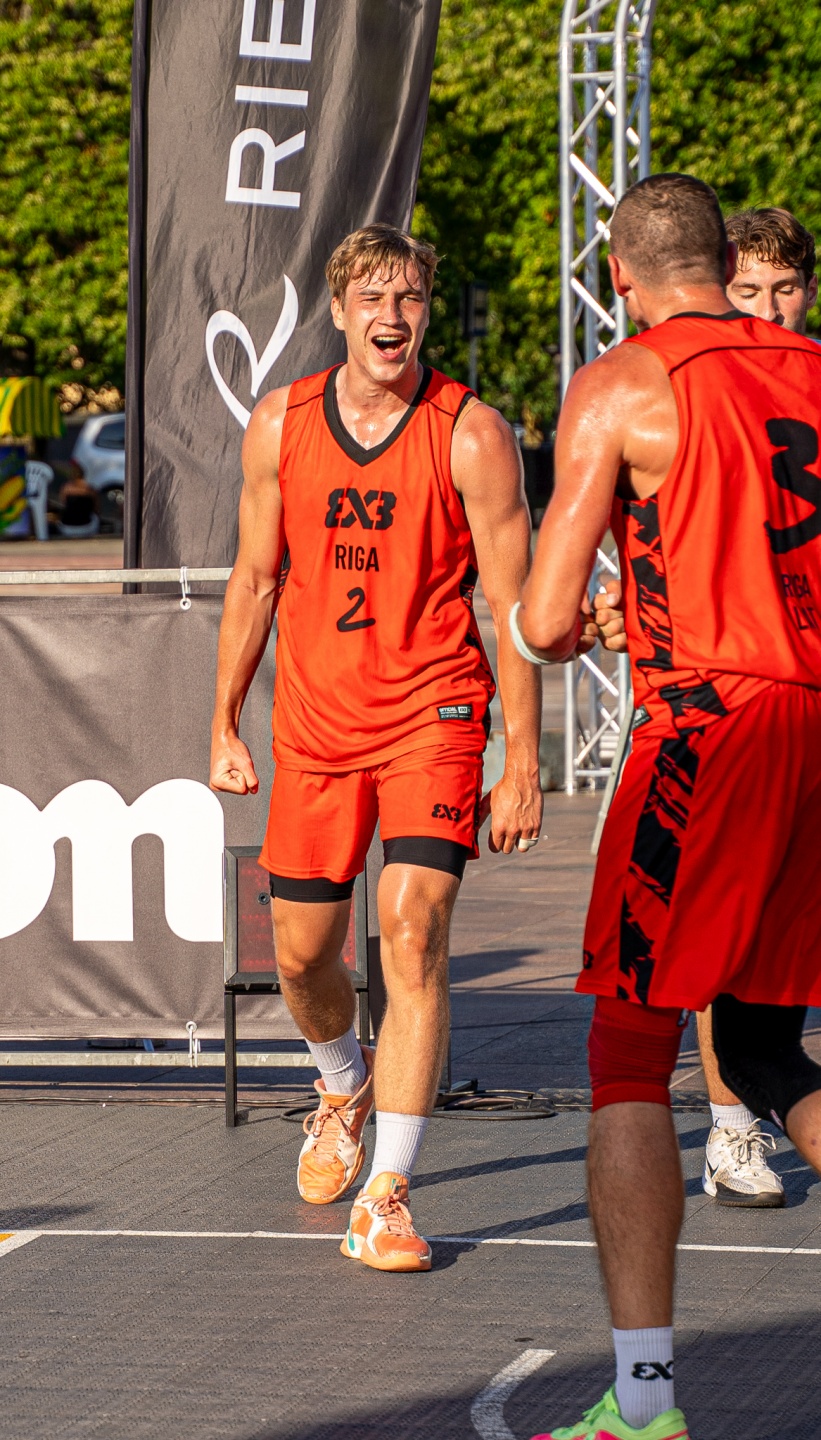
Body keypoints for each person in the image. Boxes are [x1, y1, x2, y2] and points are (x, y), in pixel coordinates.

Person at [513, 174, 821, 1439]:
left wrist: (591, 616)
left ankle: (641, 1405)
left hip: (713, 725)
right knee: (762, 1052)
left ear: (618, 272)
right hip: (813, 720)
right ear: (720, 264)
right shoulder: (809, 367)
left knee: (628, 1057)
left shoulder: (625, 382)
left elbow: (542, 619)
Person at [210, 223, 556, 1273]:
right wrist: (222, 722)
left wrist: (522, 761)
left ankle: (388, 1195)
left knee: (412, 936)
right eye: (372, 298)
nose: (392, 317)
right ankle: (339, 1082)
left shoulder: (471, 433)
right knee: (301, 955)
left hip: (431, 718)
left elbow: (511, 606)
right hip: (317, 726)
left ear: (426, 310)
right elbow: (255, 580)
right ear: (339, 310)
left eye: (408, 298)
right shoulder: (281, 422)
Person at [688, 206, 819, 1208]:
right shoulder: (694, 390)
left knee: (773, 958)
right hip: (733, 697)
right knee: (721, 942)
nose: (767, 308)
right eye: (747, 291)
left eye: (783, 289)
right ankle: (730, 1128)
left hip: (799, 697)